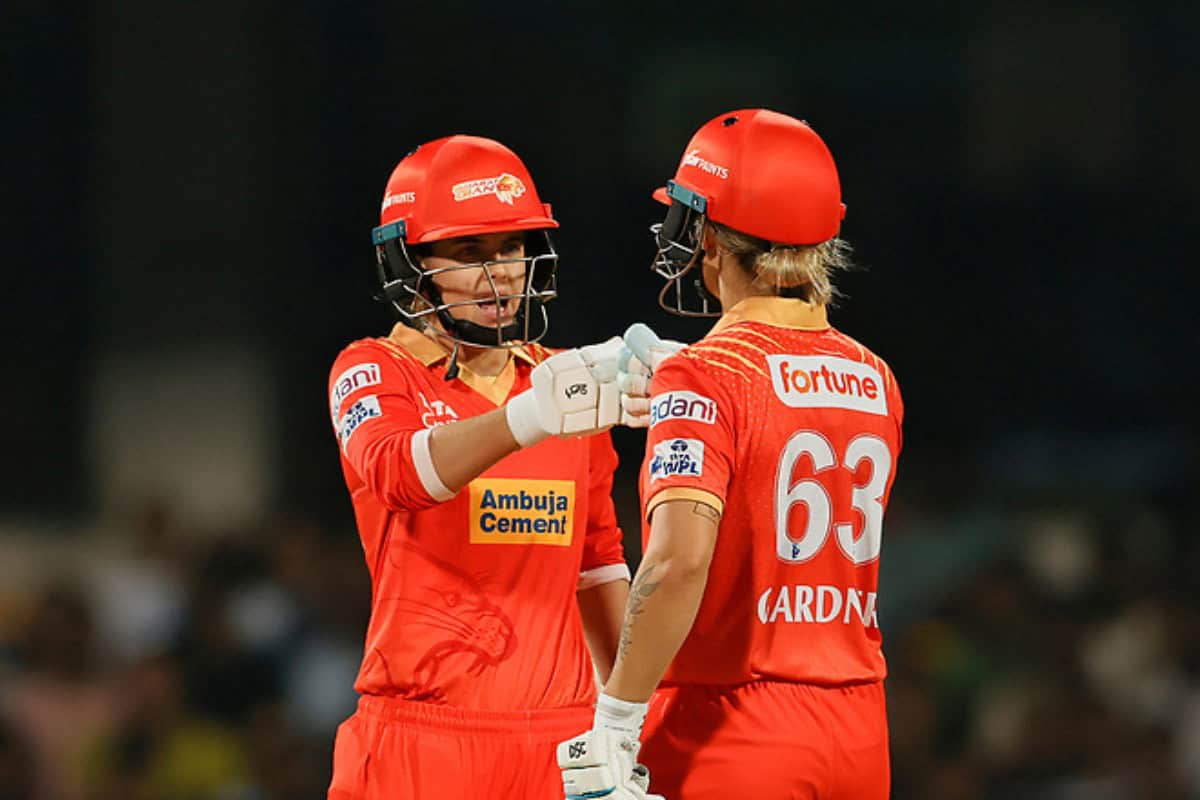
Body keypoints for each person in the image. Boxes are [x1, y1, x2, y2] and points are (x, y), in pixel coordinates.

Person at [557, 109, 904, 800]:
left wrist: (617, 718)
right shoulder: (877, 378)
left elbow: (680, 562)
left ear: (710, 238)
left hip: (736, 730)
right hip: (860, 726)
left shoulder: (708, 375)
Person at [326, 134, 633, 800]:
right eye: (470, 253)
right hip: (420, 742)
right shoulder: (373, 370)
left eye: (513, 249)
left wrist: (631, 723)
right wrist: (531, 418)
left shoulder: (563, 383)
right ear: (412, 264)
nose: (501, 275)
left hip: (559, 741)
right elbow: (399, 474)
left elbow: (597, 564)